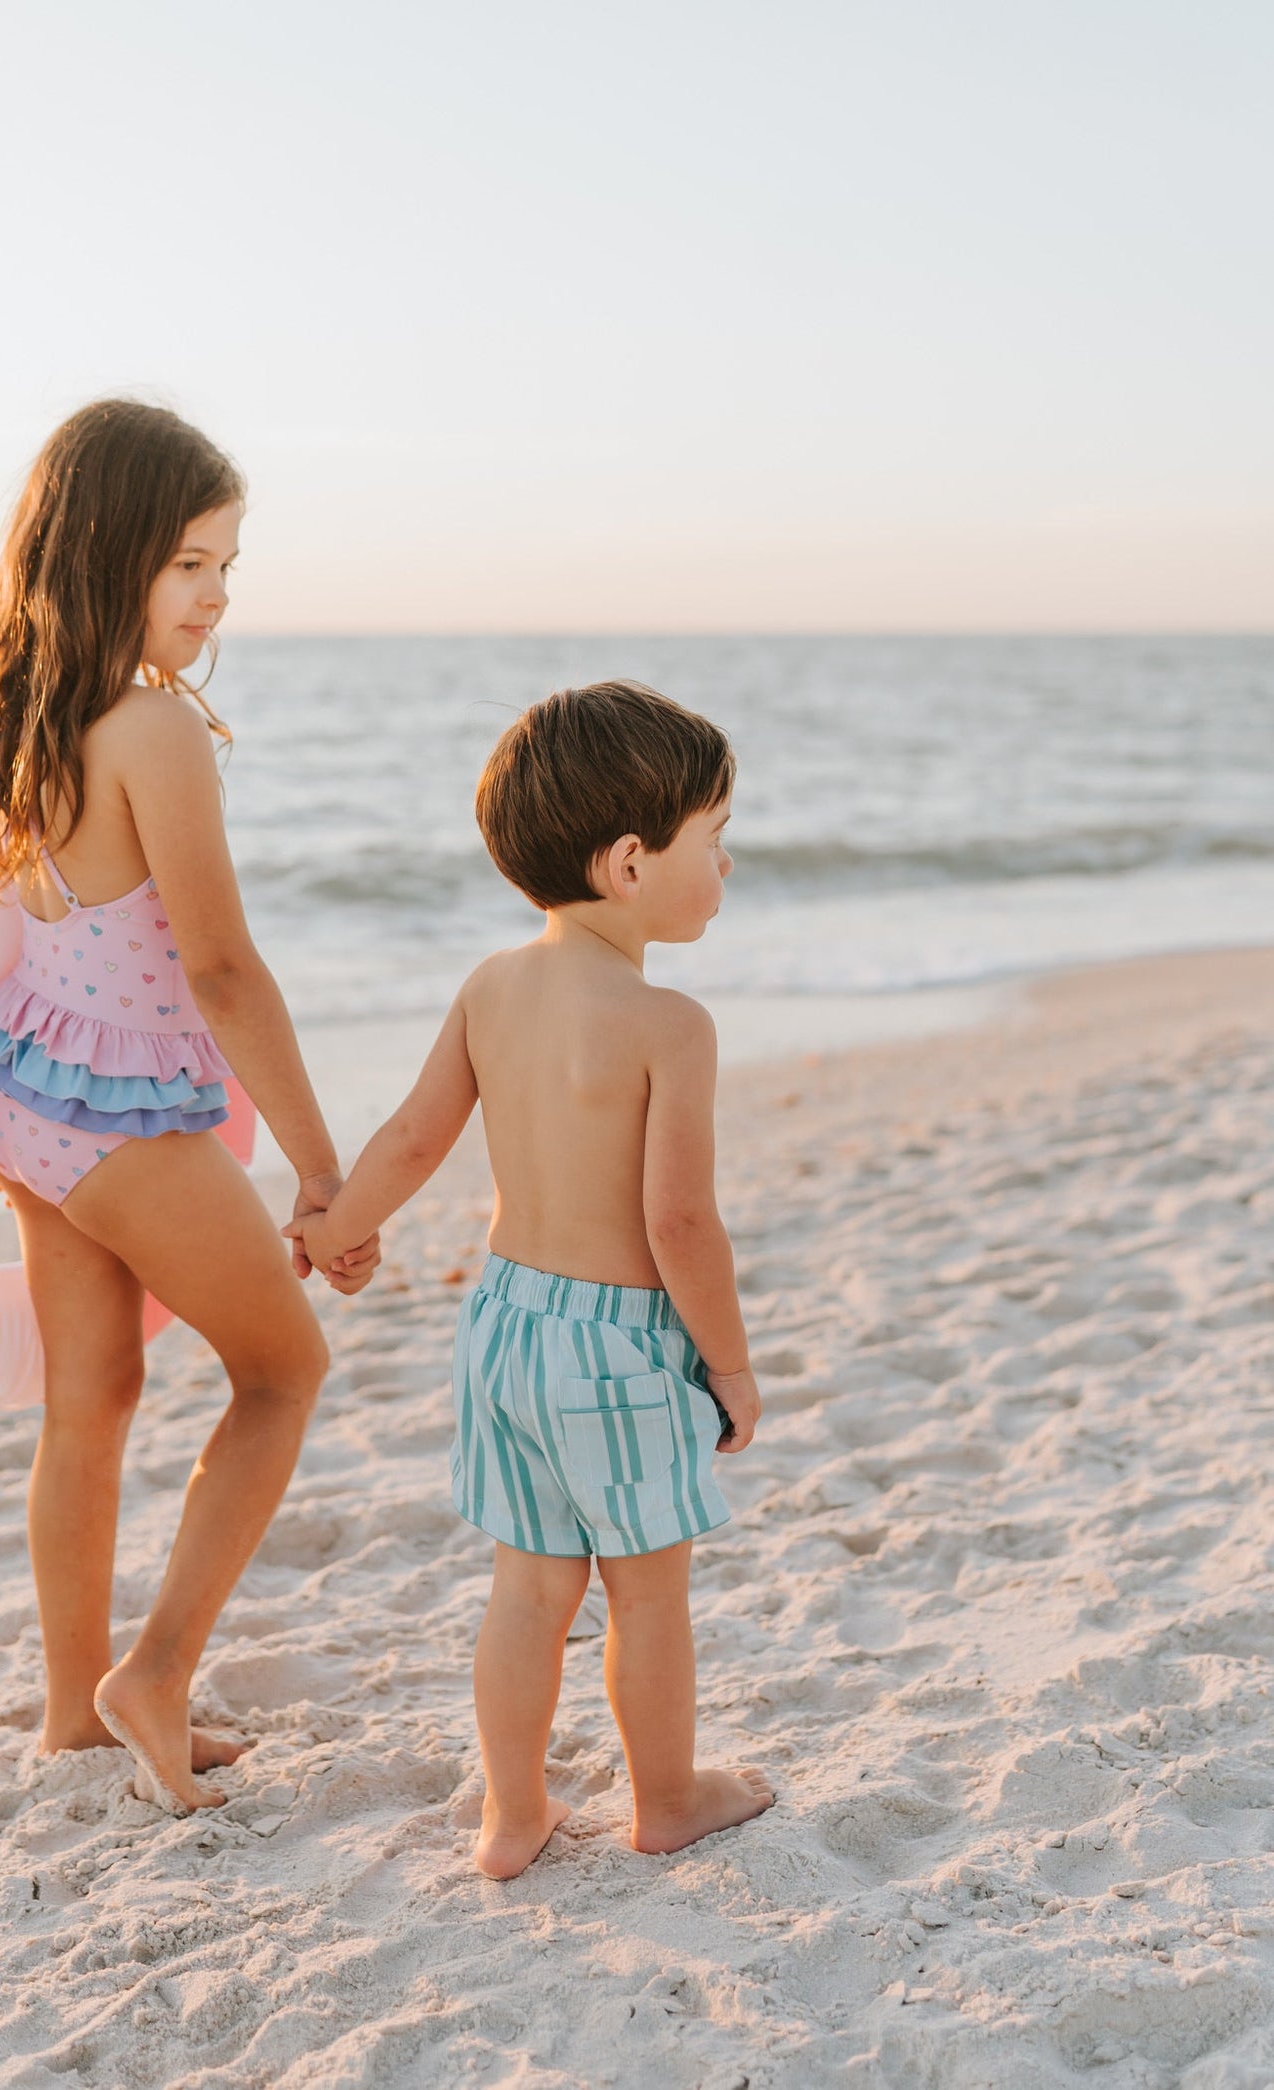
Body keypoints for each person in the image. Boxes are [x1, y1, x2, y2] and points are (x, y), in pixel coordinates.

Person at [0, 399, 376, 1814]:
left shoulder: (22, 719)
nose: (217, 595)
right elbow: (224, 969)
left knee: (94, 1400)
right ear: (112, 551)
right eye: (191, 562)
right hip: (125, 1122)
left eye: (227, 566)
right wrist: (321, 1171)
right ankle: (154, 1675)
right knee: (283, 1372)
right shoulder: (152, 730)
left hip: (21, 1106)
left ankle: (73, 1711)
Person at [288, 681, 771, 1877]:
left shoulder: (490, 985)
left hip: (507, 1325)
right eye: (713, 841)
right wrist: (730, 1361)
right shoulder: (670, 1024)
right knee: (648, 1589)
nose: (727, 865)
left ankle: (513, 1811)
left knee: (530, 1583)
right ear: (627, 864)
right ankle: (666, 1796)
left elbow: (410, 1138)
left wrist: (334, 1228)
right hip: (615, 1345)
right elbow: (680, 1222)